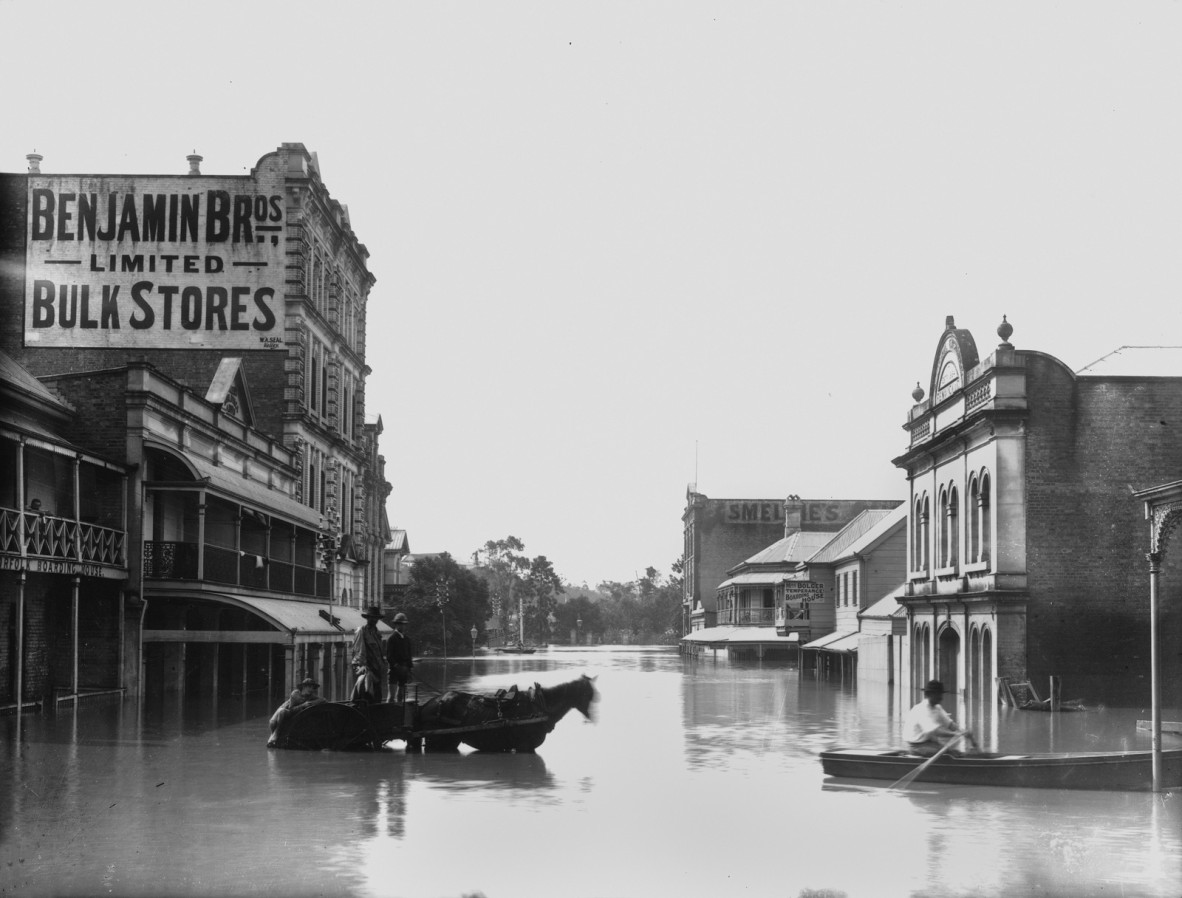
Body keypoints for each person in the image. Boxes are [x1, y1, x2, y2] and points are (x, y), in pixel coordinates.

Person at [904, 679, 974, 756]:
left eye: (941, 694)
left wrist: (963, 731)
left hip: (929, 743)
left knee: (954, 753)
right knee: (948, 755)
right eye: (938, 694)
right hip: (916, 747)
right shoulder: (921, 709)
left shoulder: (937, 708)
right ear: (930, 694)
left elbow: (950, 724)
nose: (941, 697)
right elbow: (935, 731)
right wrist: (955, 734)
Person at [267, 677, 325, 746]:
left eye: (313, 687)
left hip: (291, 715)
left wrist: (313, 702)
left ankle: (276, 737)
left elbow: (323, 700)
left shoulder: (310, 696)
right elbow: (291, 710)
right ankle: (275, 734)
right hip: (277, 719)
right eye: (309, 686)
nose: (311, 689)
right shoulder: (295, 694)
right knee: (281, 711)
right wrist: (303, 705)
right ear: (304, 687)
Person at [351, 605, 389, 703]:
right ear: (368, 618)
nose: (374, 620)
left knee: (377, 698)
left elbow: (379, 654)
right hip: (366, 670)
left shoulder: (377, 633)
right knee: (366, 697)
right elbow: (359, 651)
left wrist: (384, 665)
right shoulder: (362, 631)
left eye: (376, 618)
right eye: (372, 617)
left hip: (377, 671)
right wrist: (362, 666)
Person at [386, 612, 414, 703]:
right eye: (401, 624)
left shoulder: (407, 639)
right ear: (396, 625)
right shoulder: (391, 638)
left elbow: (409, 657)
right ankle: (388, 713)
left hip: (404, 670)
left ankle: (399, 713)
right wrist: (397, 666)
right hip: (394, 670)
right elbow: (389, 656)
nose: (403, 627)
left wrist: (409, 671)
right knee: (391, 696)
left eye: (404, 625)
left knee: (401, 695)